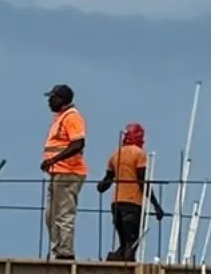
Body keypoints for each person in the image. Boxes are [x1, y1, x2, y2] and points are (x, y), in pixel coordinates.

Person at [96, 123, 164, 261]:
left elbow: (105, 183)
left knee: (123, 241)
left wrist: (100, 186)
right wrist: (156, 205)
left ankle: (115, 260)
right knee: (131, 242)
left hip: (116, 204)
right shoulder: (139, 154)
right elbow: (142, 181)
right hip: (132, 203)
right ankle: (127, 268)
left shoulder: (115, 155)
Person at [41, 84, 87, 260]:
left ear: (62, 99)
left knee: (63, 214)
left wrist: (54, 160)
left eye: (52, 98)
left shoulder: (72, 117)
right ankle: (58, 248)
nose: (49, 102)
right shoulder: (60, 117)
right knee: (51, 215)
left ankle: (65, 252)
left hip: (69, 172)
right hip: (58, 172)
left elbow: (78, 144)